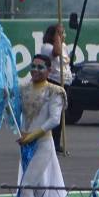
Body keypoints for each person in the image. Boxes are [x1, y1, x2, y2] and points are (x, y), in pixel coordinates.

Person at [0, 54, 68, 197]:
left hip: (43, 145)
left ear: (49, 70)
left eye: (40, 67)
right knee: (40, 190)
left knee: (27, 187)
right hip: (26, 146)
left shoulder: (55, 92)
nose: (36, 70)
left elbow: (54, 120)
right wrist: (6, 103)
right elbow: (14, 116)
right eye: (33, 66)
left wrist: (32, 135)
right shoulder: (23, 89)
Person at [40, 24, 74, 153]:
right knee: (54, 115)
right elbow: (56, 53)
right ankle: (49, 143)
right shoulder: (47, 47)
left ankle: (56, 143)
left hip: (65, 82)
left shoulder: (63, 45)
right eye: (60, 33)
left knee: (60, 114)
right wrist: (57, 37)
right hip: (55, 82)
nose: (63, 36)